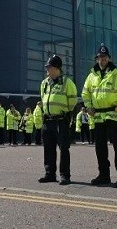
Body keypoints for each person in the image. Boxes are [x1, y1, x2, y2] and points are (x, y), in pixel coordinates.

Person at [81, 43, 117, 188]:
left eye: (104, 57)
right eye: (100, 57)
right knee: (100, 148)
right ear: (96, 59)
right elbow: (85, 93)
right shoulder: (91, 76)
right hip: (98, 116)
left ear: (109, 58)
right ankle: (104, 175)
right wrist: (89, 106)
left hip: (113, 115)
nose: (102, 60)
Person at [38, 55, 78, 185]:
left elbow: (73, 102)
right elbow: (44, 100)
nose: (47, 70)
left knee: (64, 149)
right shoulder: (44, 83)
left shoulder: (67, 83)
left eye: (49, 67)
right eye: (47, 67)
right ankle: (49, 174)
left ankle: (65, 175)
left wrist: (67, 116)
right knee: (48, 148)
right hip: (48, 120)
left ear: (57, 68)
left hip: (61, 120)